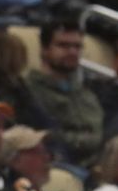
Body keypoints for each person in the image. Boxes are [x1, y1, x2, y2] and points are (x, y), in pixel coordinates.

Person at [22, 18, 104, 167]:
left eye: (77, 46)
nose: (72, 52)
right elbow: (47, 137)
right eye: (63, 45)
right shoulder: (29, 92)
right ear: (44, 49)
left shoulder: (86, 94)